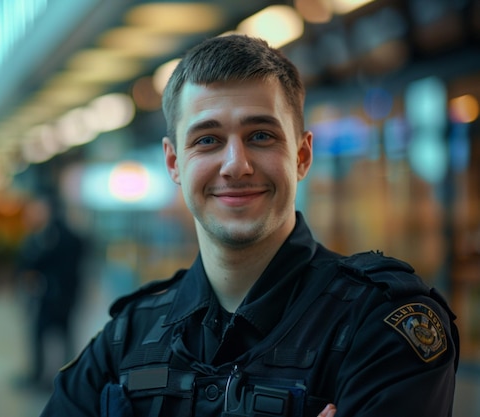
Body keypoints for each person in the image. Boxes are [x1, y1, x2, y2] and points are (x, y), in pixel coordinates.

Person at [39, 35, 458, 417]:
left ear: (302, 156)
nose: (235, 165)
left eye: (260, 135)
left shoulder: (384, 326)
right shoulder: (127, 336)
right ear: (173, 163)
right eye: (207, 139)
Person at [15, 196, 85, 387]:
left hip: (62, 296)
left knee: (63, 335)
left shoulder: (60, 235)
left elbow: (68, 262)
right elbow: (26, 262)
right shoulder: (37, 235)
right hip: (45, 296)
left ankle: (67, 376)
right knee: (40, 334)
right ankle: (40, 374)